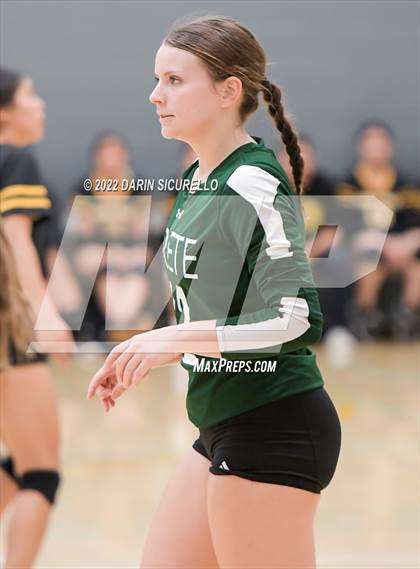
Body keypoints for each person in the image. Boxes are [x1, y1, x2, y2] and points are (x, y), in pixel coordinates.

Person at [87, 16, 342, 568]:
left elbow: (298, 318)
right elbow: (214, 310)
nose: (155, 95)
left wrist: (174, 338)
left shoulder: (250, 179)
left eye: (175, 81)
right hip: (222, 421)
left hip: (275, 425)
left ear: (229, 91)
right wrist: (145, 348)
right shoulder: (198, 178)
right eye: (157, 79)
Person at [0, 67, 74, 568]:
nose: (41, 104)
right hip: (8, 328)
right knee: (41, 472)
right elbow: (16, 237)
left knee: (16, 460)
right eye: (31, 95)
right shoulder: (16, 158)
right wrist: (47, 316)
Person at [337, 121, 420, 339]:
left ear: (389, 147)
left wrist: (404, 245)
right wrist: (380, 244)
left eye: (380, 144)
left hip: (400, 251)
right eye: (370, 144)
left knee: (416, 268)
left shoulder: (405, 185)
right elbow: (346, 228)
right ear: (360, 148)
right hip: (367, 251)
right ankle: (366, 316)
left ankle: (407, 317)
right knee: (370, 264)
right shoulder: (348, 186)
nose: (376, 149)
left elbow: (415, 225)